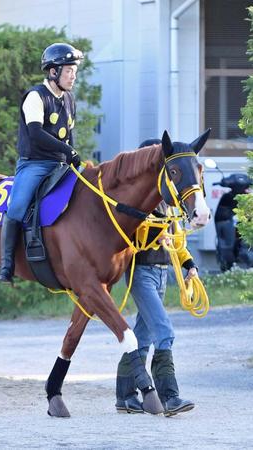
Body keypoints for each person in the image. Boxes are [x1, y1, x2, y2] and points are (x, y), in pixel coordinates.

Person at [115, 139, 198, 416]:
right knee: (164, 330)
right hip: (142, 272)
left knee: (142, 335)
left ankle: (125, 395)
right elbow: (131, 233)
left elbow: (178, 239)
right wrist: (155, 234)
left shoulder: (168, 201)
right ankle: (170, 396)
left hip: (162, 273)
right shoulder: (140, 202)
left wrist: (190, 265)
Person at [0, 43, 83, 284]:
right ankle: (6, 266)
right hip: (35, 164)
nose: (73, 75)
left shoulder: (69, 99)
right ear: (53, 72)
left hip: (61, 165)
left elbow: (69, 135)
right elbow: (36, 133)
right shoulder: (35, 96)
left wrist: (75, 160)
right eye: (68, 70)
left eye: (74, 70)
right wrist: (68, 150)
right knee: (17, 207)